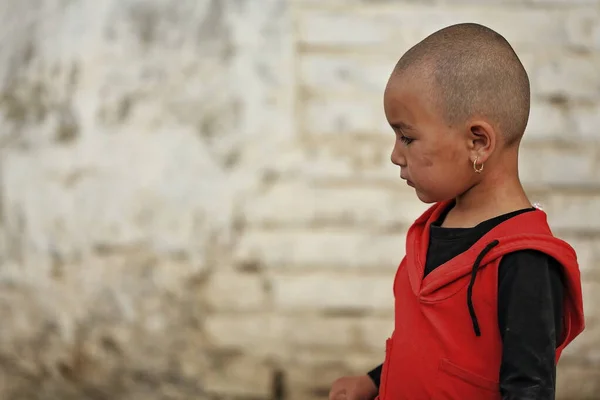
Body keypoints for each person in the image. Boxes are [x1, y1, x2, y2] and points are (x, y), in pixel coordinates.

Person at [328, 23, 585, 400]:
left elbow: (528, 389)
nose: (395, 155)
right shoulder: (434, 226)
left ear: (477, 142)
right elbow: (433, 347)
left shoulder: (524, 260)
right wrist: (373, 381)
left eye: (407, 137)